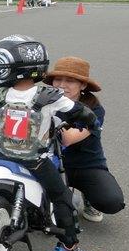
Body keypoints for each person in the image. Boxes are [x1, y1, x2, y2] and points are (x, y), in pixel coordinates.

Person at [0, 36, 100, 251]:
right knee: (62, 197)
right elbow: (82, 114)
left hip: (1, 155)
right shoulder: (49, 97)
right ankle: (68, 246)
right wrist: (91, 123)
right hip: (34, 160)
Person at [43, 56, 124, 223]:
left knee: (111, 202)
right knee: (40, 212)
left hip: (85, 166)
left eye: (70, 81)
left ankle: (88, 197)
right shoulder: (42, 101)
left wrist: (52, 111)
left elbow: (67, 139)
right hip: (49, 163)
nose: (62, 84)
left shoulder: (94, 109)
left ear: (83, 85)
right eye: (58, 79)